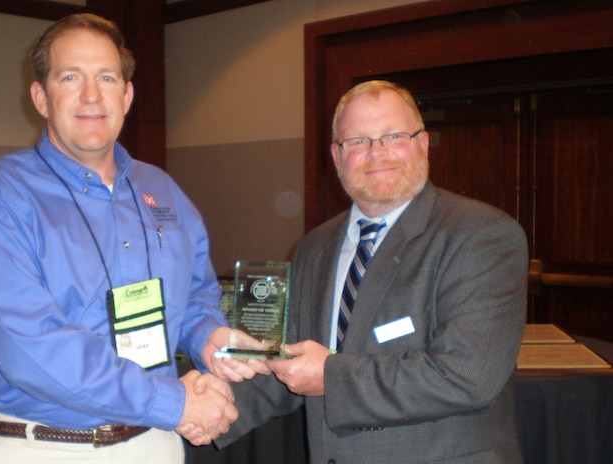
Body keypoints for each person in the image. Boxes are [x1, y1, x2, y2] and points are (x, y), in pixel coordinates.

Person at [0, 13, 260, 464]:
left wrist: (206, 335)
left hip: (155, 440)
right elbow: (31, 348)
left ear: (127, 94)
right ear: (41, 96)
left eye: (107, 77)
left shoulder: (162, 189)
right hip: (44, 446)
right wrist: (176, 403)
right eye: (70, 76)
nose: (91, 95)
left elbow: (194, 294)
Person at [215, 80, 528, 463]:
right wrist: (188, 405)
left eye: (393, 135)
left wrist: (330, 376)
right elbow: (287, 365)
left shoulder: (481, 235)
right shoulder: (315, 247)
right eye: (358, 141)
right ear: (336, 155)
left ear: (423, 144)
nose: (376, 153)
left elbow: (466, 375)